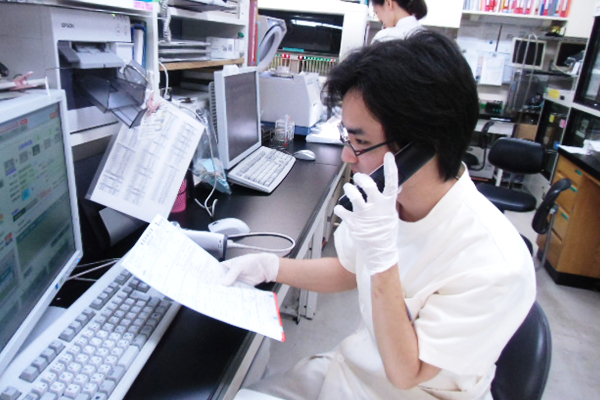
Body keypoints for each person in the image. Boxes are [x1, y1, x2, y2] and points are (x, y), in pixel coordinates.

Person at [221, 31, 536, 400]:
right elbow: (350, 269)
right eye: (347, 137)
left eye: (361, 142)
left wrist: (385, 260)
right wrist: (270, 267)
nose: (346, 156)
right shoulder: (391, 201)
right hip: (351, 372)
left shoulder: (496, 264)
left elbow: (406, 373)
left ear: (421, 148)